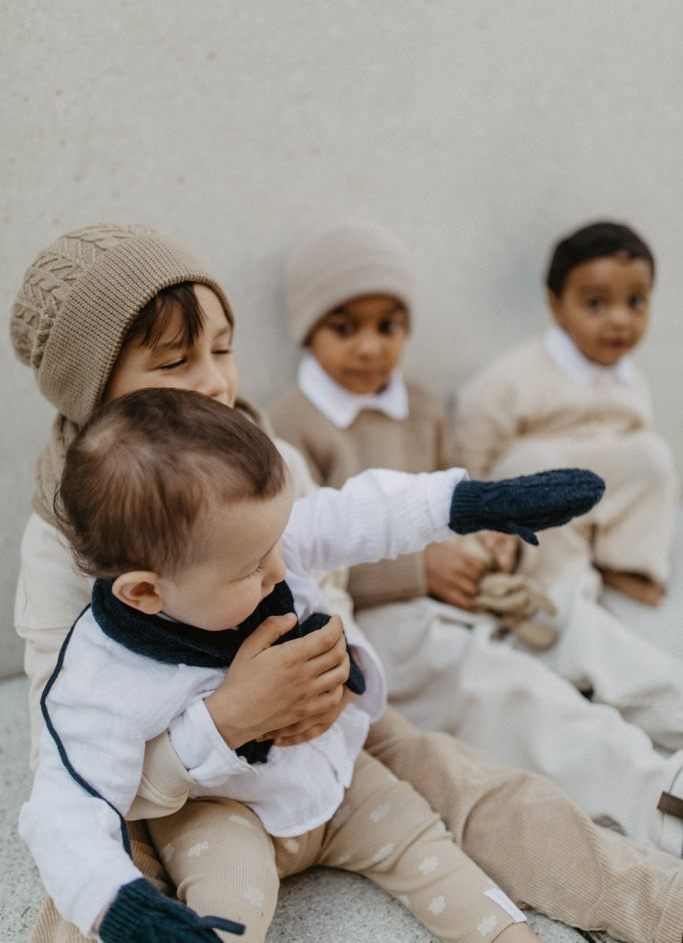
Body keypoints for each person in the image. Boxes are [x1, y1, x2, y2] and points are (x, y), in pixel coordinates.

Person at [11, 224, 683, 943]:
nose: (213, 380)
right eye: (175, 360)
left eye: (224, 348)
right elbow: (71, 756)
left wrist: (333, 670)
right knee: (89, 890)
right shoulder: (62, 543)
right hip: (175, 790)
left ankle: (655, 899)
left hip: (324, 730)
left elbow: (342, 547)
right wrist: (228, 719)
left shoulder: (270, 462)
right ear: (94, 391)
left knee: (469, 784)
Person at [23, 387, 601, 942]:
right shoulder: (100, 677)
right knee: (225, 907)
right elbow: (65, 808)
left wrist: (473, 504)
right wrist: (123, 909)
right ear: (145, 593)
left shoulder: (251, 537)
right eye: (251, 569)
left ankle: (509, 934)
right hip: (224, 812)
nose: (280, 569)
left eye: (278, 544)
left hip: (335, 769)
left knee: (426, 843)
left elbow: (363, 513)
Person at [268, 219, 683, 857]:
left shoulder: (425, 408)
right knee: (511, 693)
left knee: (576, 623)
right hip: (388, 619)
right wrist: (420, 572)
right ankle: (657, 798)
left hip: (465, 590)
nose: (370, 349)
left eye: (389, 326)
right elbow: (302, 555)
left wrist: (489, 544)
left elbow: (457, 494)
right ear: (308, 330)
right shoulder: (293, 424)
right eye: (344, 327)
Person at [453, 220, 680, 607]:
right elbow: (475, 438)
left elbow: (634, 455)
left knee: (654, 456)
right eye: (596, 304)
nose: (620, 320)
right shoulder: (516, 376)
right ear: (557, 307)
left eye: (636, 302)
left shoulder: (630, 380)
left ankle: (626, 561)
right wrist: (477, 512)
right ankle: (565, 583)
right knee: (539, 476)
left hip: (597, 487)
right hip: (538, 484)